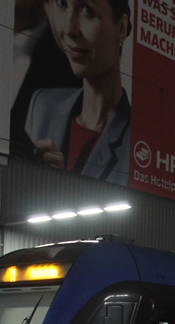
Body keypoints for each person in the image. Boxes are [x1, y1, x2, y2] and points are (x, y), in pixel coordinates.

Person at [24, 0, 132, 185]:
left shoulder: (136, 145)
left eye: (88, 11)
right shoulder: (42, 105)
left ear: (121, 28)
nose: (69, 29)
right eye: (62, 4)